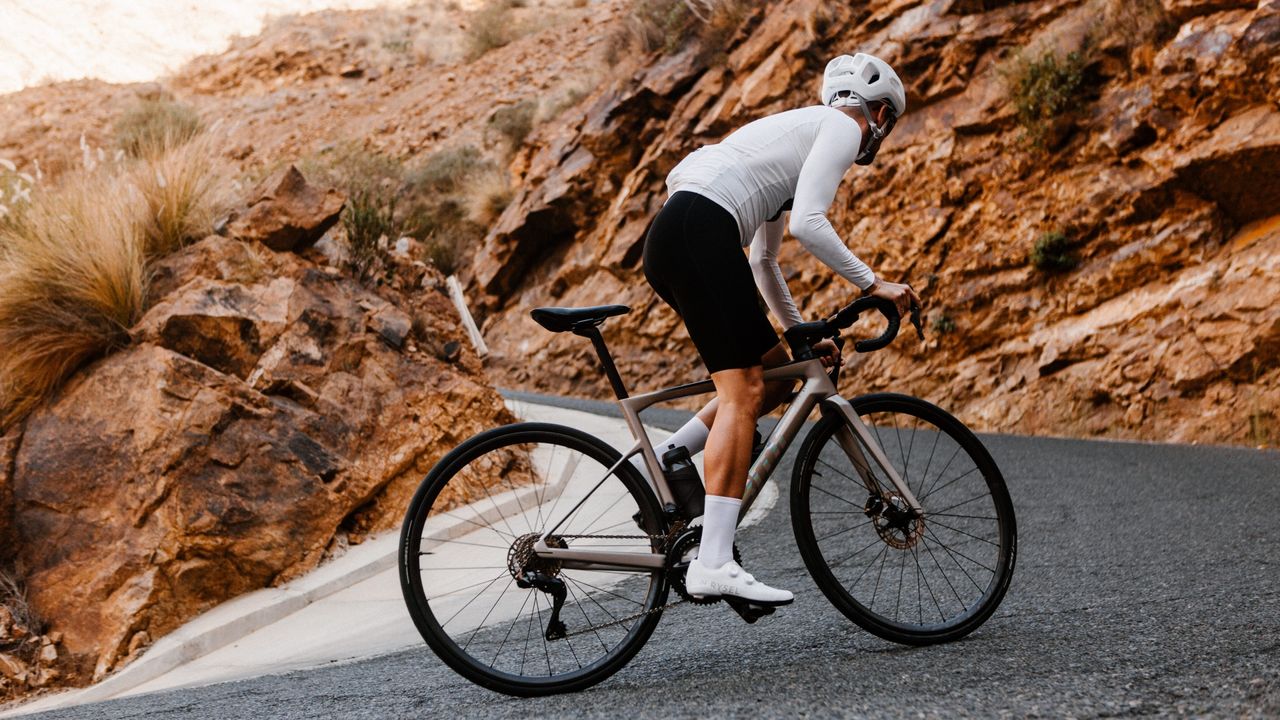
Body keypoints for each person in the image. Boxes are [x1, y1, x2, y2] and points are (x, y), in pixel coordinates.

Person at [639, 53, 921, 606]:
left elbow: (764, 263)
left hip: (678, 234)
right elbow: (810, 225)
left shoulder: (790, 140)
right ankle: (714, 561)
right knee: (741, 389)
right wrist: (873, 284)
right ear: (881, 113)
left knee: (774, 377)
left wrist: (794, 339)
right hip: (700, 229)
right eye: (887, 122)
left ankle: (671, 455)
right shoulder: (842, 125)